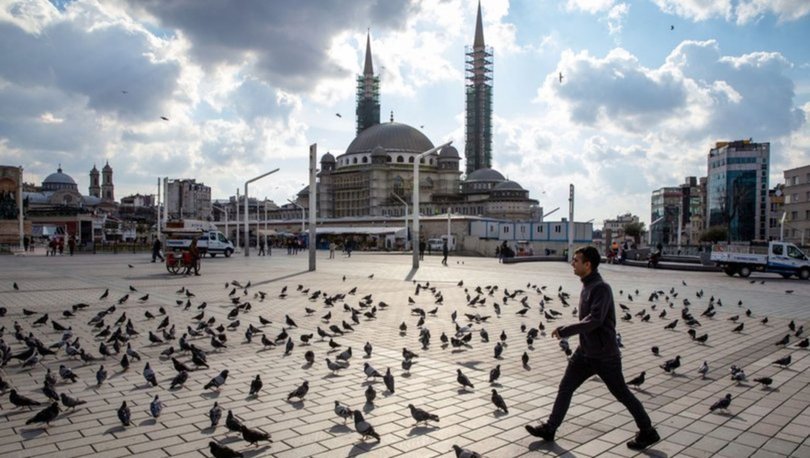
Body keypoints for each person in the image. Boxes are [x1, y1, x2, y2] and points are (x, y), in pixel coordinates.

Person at [525, 246, 659, 451]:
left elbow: (595, 320)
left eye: (576, 260)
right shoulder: (587, 285)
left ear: (588, 265)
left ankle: (647, 431)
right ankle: (550, 428)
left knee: (622, 393)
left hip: (605, 356)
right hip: (585, 352)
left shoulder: (600, 288)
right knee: (566, 386)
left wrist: (566, 330)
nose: (573, 263)